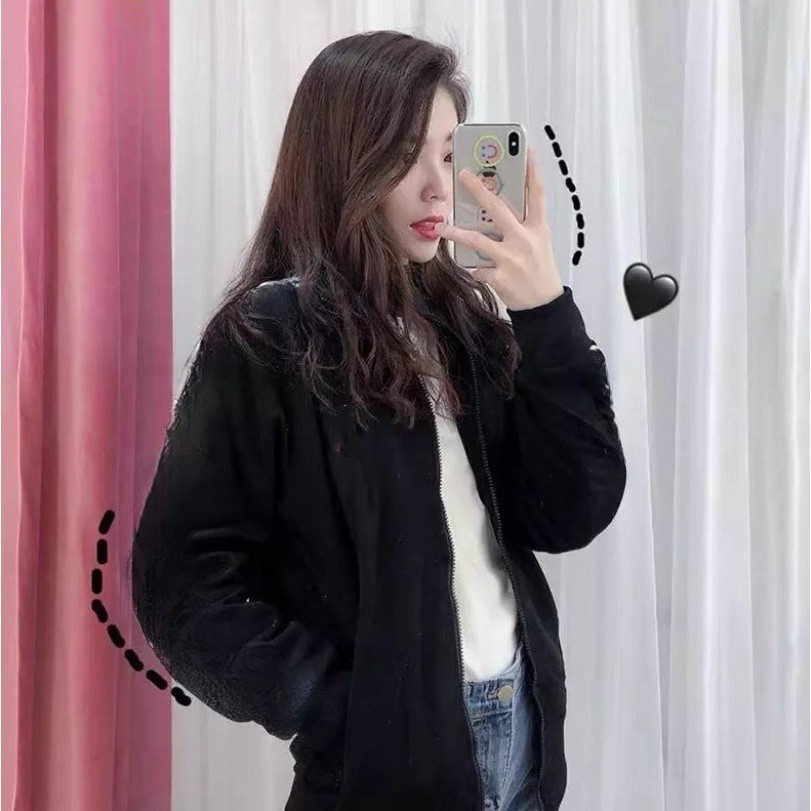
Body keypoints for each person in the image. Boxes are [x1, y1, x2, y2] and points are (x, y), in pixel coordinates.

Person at [128, 30, 627, 811]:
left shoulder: (463, 324)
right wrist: (332, 704)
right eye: (403, 155)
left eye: (448, 155)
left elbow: (571, 510)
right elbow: (180, 584)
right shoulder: (272, 334)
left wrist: (542, 310)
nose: (436, 187)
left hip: (523, 733)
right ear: (345, 161)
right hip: (383, 770)